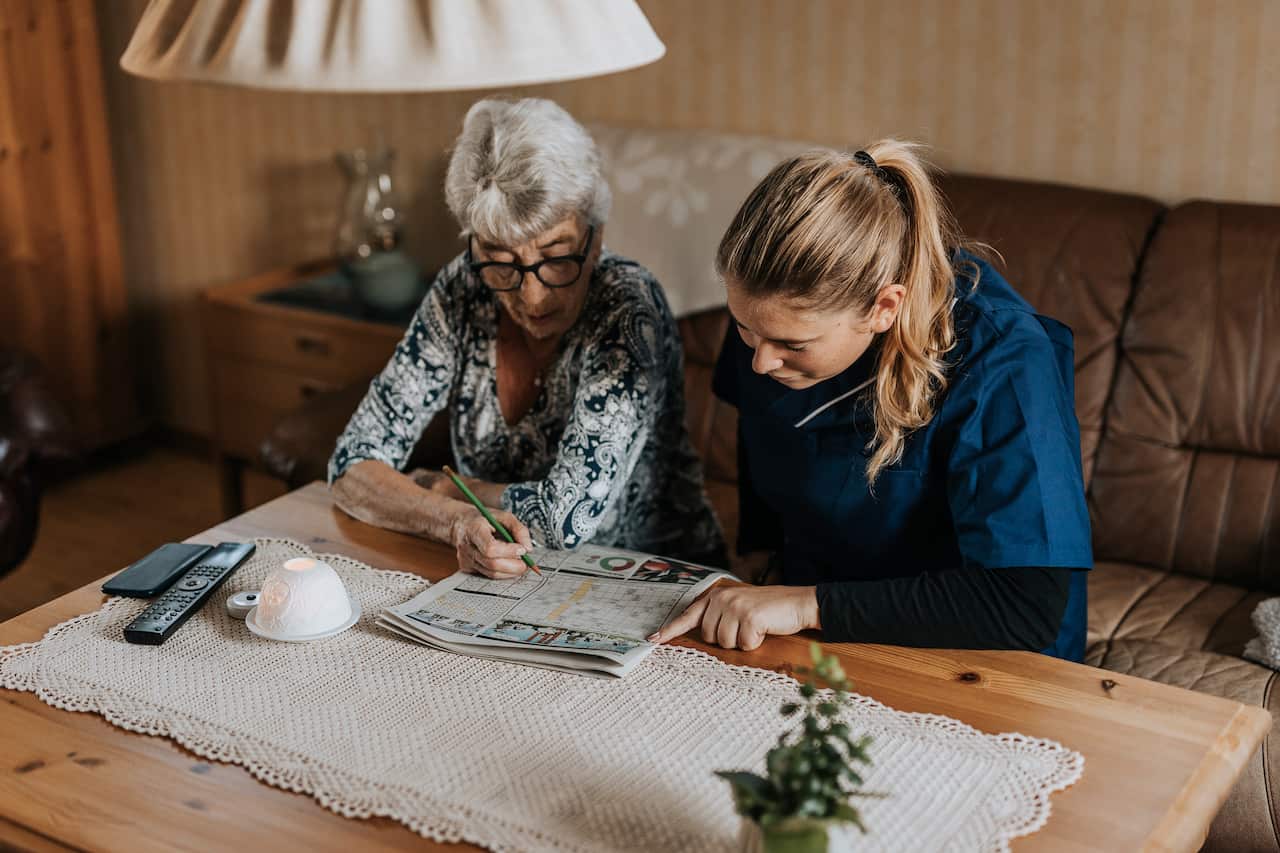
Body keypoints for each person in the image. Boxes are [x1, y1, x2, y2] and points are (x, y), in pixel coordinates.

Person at [650, 142, 1092, 661]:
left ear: (884, 308)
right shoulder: (770, 322)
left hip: (983, 652)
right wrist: (763, 579)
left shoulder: (1006, 364)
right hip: (818, 624)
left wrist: (807, 605)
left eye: (793, 346)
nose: (761, 364)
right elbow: (766, 446)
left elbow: (1024, 606)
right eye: (745, 329)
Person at [329, 98, 724, 577]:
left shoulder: (626, 304)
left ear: (594, 237)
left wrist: (447, 486)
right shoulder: (463, 287)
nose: (532, 296)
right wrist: (455, 519)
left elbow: (566, 520)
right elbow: (352, 464)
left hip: (653, 581)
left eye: (557, 256)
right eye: (500, 260)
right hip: (512, 580)